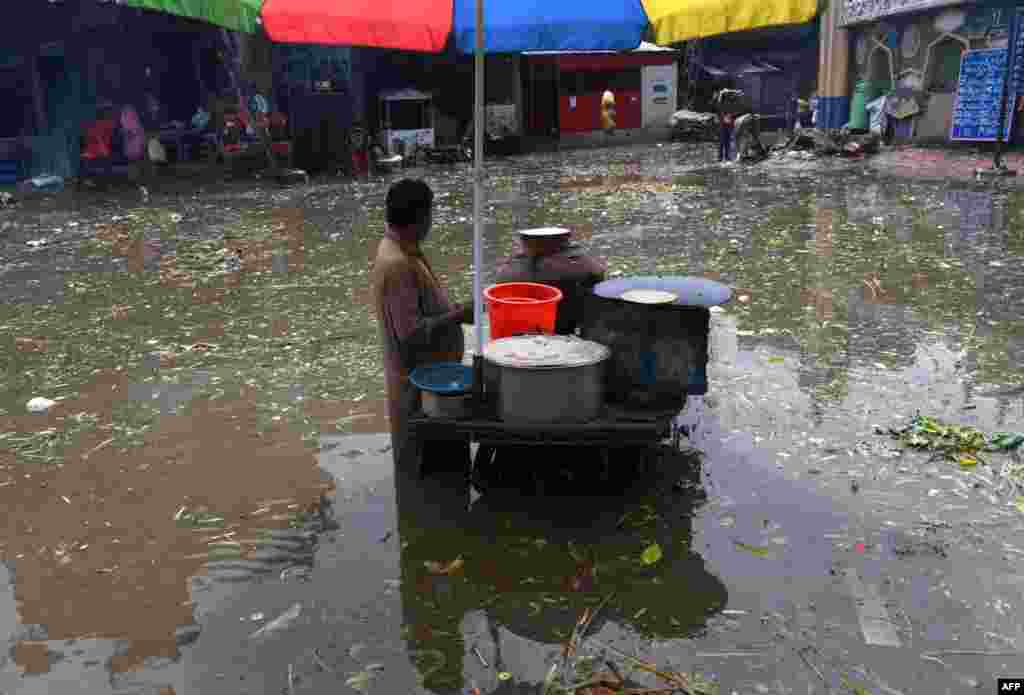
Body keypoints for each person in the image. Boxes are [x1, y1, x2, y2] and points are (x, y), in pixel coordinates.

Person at [372, 179, 474, 470]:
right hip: (421, 393)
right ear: (421, 217)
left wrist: (452, 310)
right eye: (430, 213)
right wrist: (458, 315)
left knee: (432, 477)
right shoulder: (397, 264)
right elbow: (411, 334)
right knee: (436, 477)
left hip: (429, 384)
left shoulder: (401, 248)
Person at [494, 227, 605, 336]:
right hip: (565, 329)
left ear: (524, 242)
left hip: (519, 329)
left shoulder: (513, 266)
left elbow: (501, 281)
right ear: (565, 240)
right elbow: (597, 275)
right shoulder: (579, 264)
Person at [714, 89, 734, 162]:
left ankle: (725, 157)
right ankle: (722, 157)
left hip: (727, 125)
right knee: (723, 142)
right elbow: (718, 104)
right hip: (723, 125)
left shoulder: (728, 104)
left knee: (726, 142)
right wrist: (721, 93)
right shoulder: (723, 104)